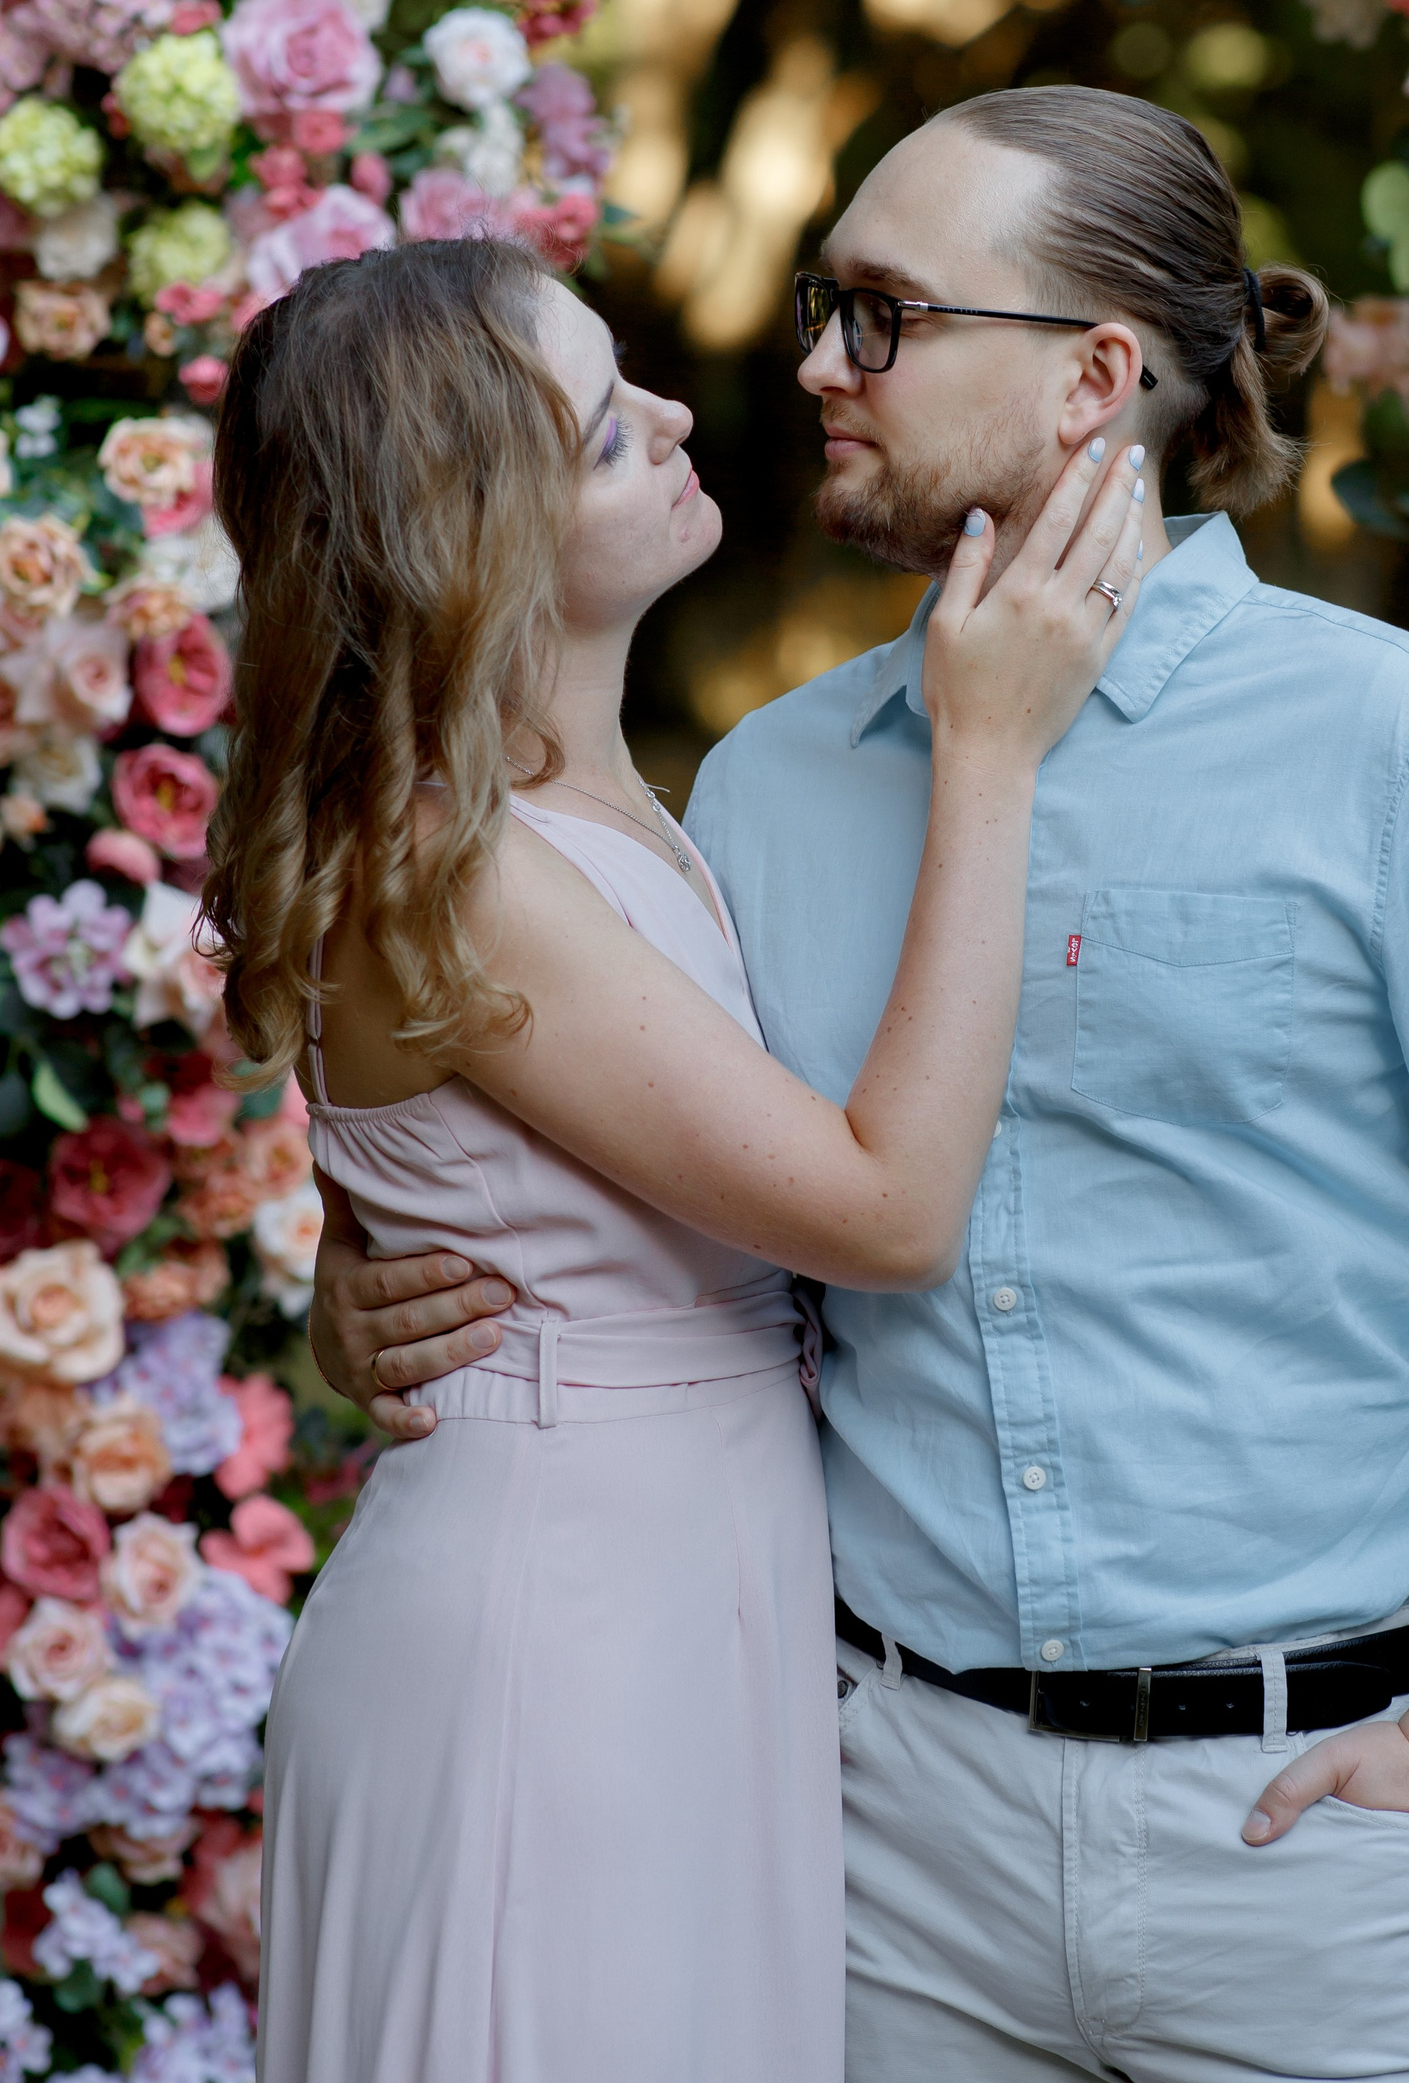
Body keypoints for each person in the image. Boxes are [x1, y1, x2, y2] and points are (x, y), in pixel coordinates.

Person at [313, 91, 1409, 2083]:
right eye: (826, 306)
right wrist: (376, 1272)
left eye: (887, 315)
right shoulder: (767, 786)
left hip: (1312, 1831)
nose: (817, 365)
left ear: (1096, 377)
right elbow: (652, 1176)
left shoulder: (1404, 751)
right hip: (879, 1847)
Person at [206, 232, 1147, 2083]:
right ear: (470, 536)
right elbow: (886, 1212)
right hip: (558, 1635)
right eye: (601, 431)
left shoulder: (585, 802)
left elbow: (485, 1172)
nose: (674, 412)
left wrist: (356, 1266)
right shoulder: (451, 866)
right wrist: (991, 753)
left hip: (680, 1579)